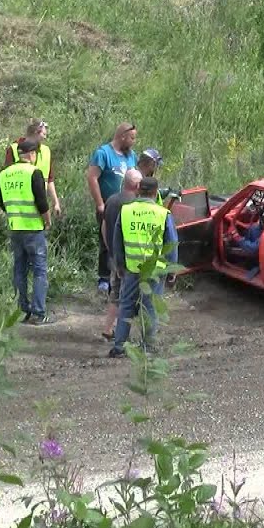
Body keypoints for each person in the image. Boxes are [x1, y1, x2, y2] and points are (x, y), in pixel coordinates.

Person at [109, 177, 178, 358]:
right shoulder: (163, 214)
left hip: (131, 269)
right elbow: (171, 244)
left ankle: (119, 347)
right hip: (154, 270)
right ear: (156, 193)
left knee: (126, 306)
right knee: (150, 308)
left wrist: (119, 265)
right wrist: (171, 270)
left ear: (138, 189)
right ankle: (147, 347)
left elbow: (117, 242)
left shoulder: (126, 211)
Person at [0, 139, 53, 325]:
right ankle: (39, 313)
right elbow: (42, 201)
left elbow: (1, 201)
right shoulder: (34, 172)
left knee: (19, 270)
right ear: (32, 154)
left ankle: (23, 310)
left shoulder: (4, 174)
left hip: (15, 227)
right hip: (34, 228)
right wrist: (47, 221)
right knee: (39, 270)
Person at [86, 123, 138, 295]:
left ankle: (123, 275)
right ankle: (104, 278)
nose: (134, 142)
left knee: (125, 241)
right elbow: (92, 178)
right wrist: (100, 203)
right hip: (109, 206)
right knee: (106, 240)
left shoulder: (131, 156)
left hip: (128, 207)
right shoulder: (103, 154)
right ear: (122, 136)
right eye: (132, 138)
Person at [99, 169, 142, 340]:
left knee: (115, 294)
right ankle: (124, 335)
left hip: (114, 256)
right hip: (129, 258)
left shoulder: (111, 200)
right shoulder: (134, 205)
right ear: (137, 185)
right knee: (129, 297)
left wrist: (110, 247)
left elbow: (104, 226)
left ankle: (108, 328)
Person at [2, 118, 62, 219]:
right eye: (43, 134)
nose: (45, 137)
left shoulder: (46, 151)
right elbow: (5, 178)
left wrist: (56, 202)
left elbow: (49, 179)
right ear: (36, 132)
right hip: (19, 207)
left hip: (40, 206)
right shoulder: (14, 149)